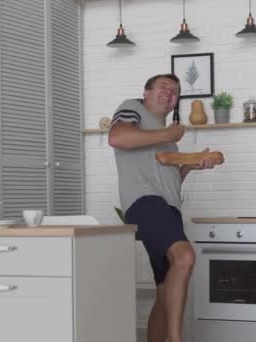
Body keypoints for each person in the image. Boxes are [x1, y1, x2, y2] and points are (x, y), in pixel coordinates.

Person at [109, 73, 219, 342]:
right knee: (185, 257)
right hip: (144, 202)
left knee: (165, 289)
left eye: (175, 91)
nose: (169, 92)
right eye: (163, 87)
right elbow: (118, 138)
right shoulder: (133, 108)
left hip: (167, 208)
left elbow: (167, 182)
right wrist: (169, 132)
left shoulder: (168, 141)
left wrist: (188, 168)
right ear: (146, 92)